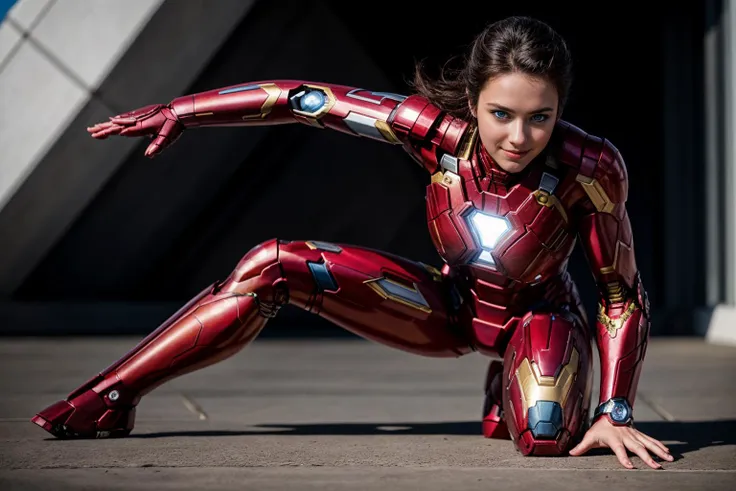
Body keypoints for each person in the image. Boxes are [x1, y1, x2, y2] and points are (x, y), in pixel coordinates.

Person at [31, 15, 673, 470]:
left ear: (560, 110)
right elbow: (304, 99)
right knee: (272, 263)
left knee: (542, 437)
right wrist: (185, 109)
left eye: (541, 116)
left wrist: (615, 408)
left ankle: (512, 385)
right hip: (448, 306)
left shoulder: (589, 168)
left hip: (539, 313)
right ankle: (111, 397)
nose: (519, 136)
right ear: (473, 102)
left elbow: (619, 292)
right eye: (501, 114)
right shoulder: (434, 135)